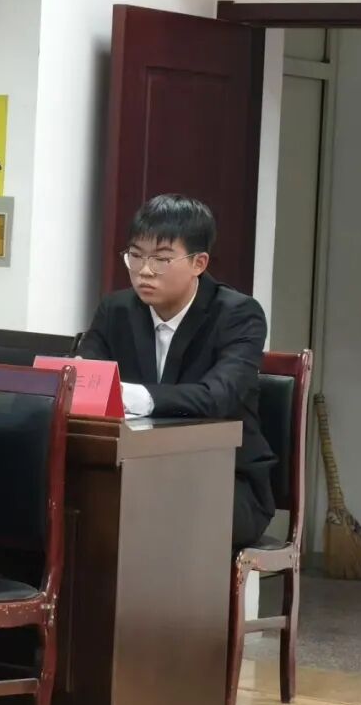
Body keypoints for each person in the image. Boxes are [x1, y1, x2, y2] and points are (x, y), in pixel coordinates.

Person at [77, 194, 275, 550]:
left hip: (224, 478)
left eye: (161, 259)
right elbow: (84, 382)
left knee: (151, 513)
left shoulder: (238, 315)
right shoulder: (116, 310)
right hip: (135, 470)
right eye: (135, 255)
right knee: (77, 504)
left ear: (199, 263)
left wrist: (137, 396)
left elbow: (219, 396)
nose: (144, 270)